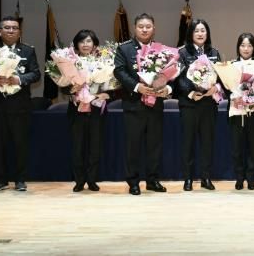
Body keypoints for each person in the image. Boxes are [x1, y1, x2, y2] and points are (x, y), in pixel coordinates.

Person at [0, 16, 40, 192]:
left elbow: (35, 74)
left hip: (20, 106)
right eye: (7, 27)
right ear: (0, 31)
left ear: (19, 32)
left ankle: (20, 180)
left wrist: (18, 79)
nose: (11, 31)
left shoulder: (27, 50)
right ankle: (1, 180)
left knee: (21, 144)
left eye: (14, 28)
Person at [114, 13, 172, 195]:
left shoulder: (161, 50)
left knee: (155, 145)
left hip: (155, 104)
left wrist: (166, 88)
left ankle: (152, 180)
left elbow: (169, 73)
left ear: (154, 28)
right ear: (134, 28)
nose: (144, 30)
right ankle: (133, 182)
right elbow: (119, 71)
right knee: (133, 146)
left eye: (148, 26)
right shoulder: (124, 48)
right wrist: (137, 86)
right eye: (141, 26)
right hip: (134, 104)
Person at [175, 19, 222, 191]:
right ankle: (188, 178)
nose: (200, 34)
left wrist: (216, 88)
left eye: (203, 30)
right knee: (188, 142)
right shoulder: (182, 52)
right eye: (196, 31)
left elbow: (221, 77)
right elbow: (178, 78)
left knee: (207, 142)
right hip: (189, 104)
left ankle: (206, 177)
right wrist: (190, 92)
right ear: (190, 34)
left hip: (208, 104)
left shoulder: (214, 52)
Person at [67, 30, 109, 192]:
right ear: (76, 45)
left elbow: (111, 87)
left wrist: (105, 95)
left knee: (95, 148)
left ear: (94, 44)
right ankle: (79, 181)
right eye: (82, 41)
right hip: (76, 111)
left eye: (89, 41)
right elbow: (63, 86)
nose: (85, 44)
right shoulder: (70, 62)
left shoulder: (103, 62)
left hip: (96, 110)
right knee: (77, 148)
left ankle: (92, 180)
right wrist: (72, 89)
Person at [228, 33, 254, 190]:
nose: (246, 49)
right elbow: (226, 88)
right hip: (236, 112)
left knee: (253, 146)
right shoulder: (231, 66)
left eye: (249, 45)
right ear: (238, 47)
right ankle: (239, 177)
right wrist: (234, 97)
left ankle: (251, 178)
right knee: (237, 148)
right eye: (243, 45)